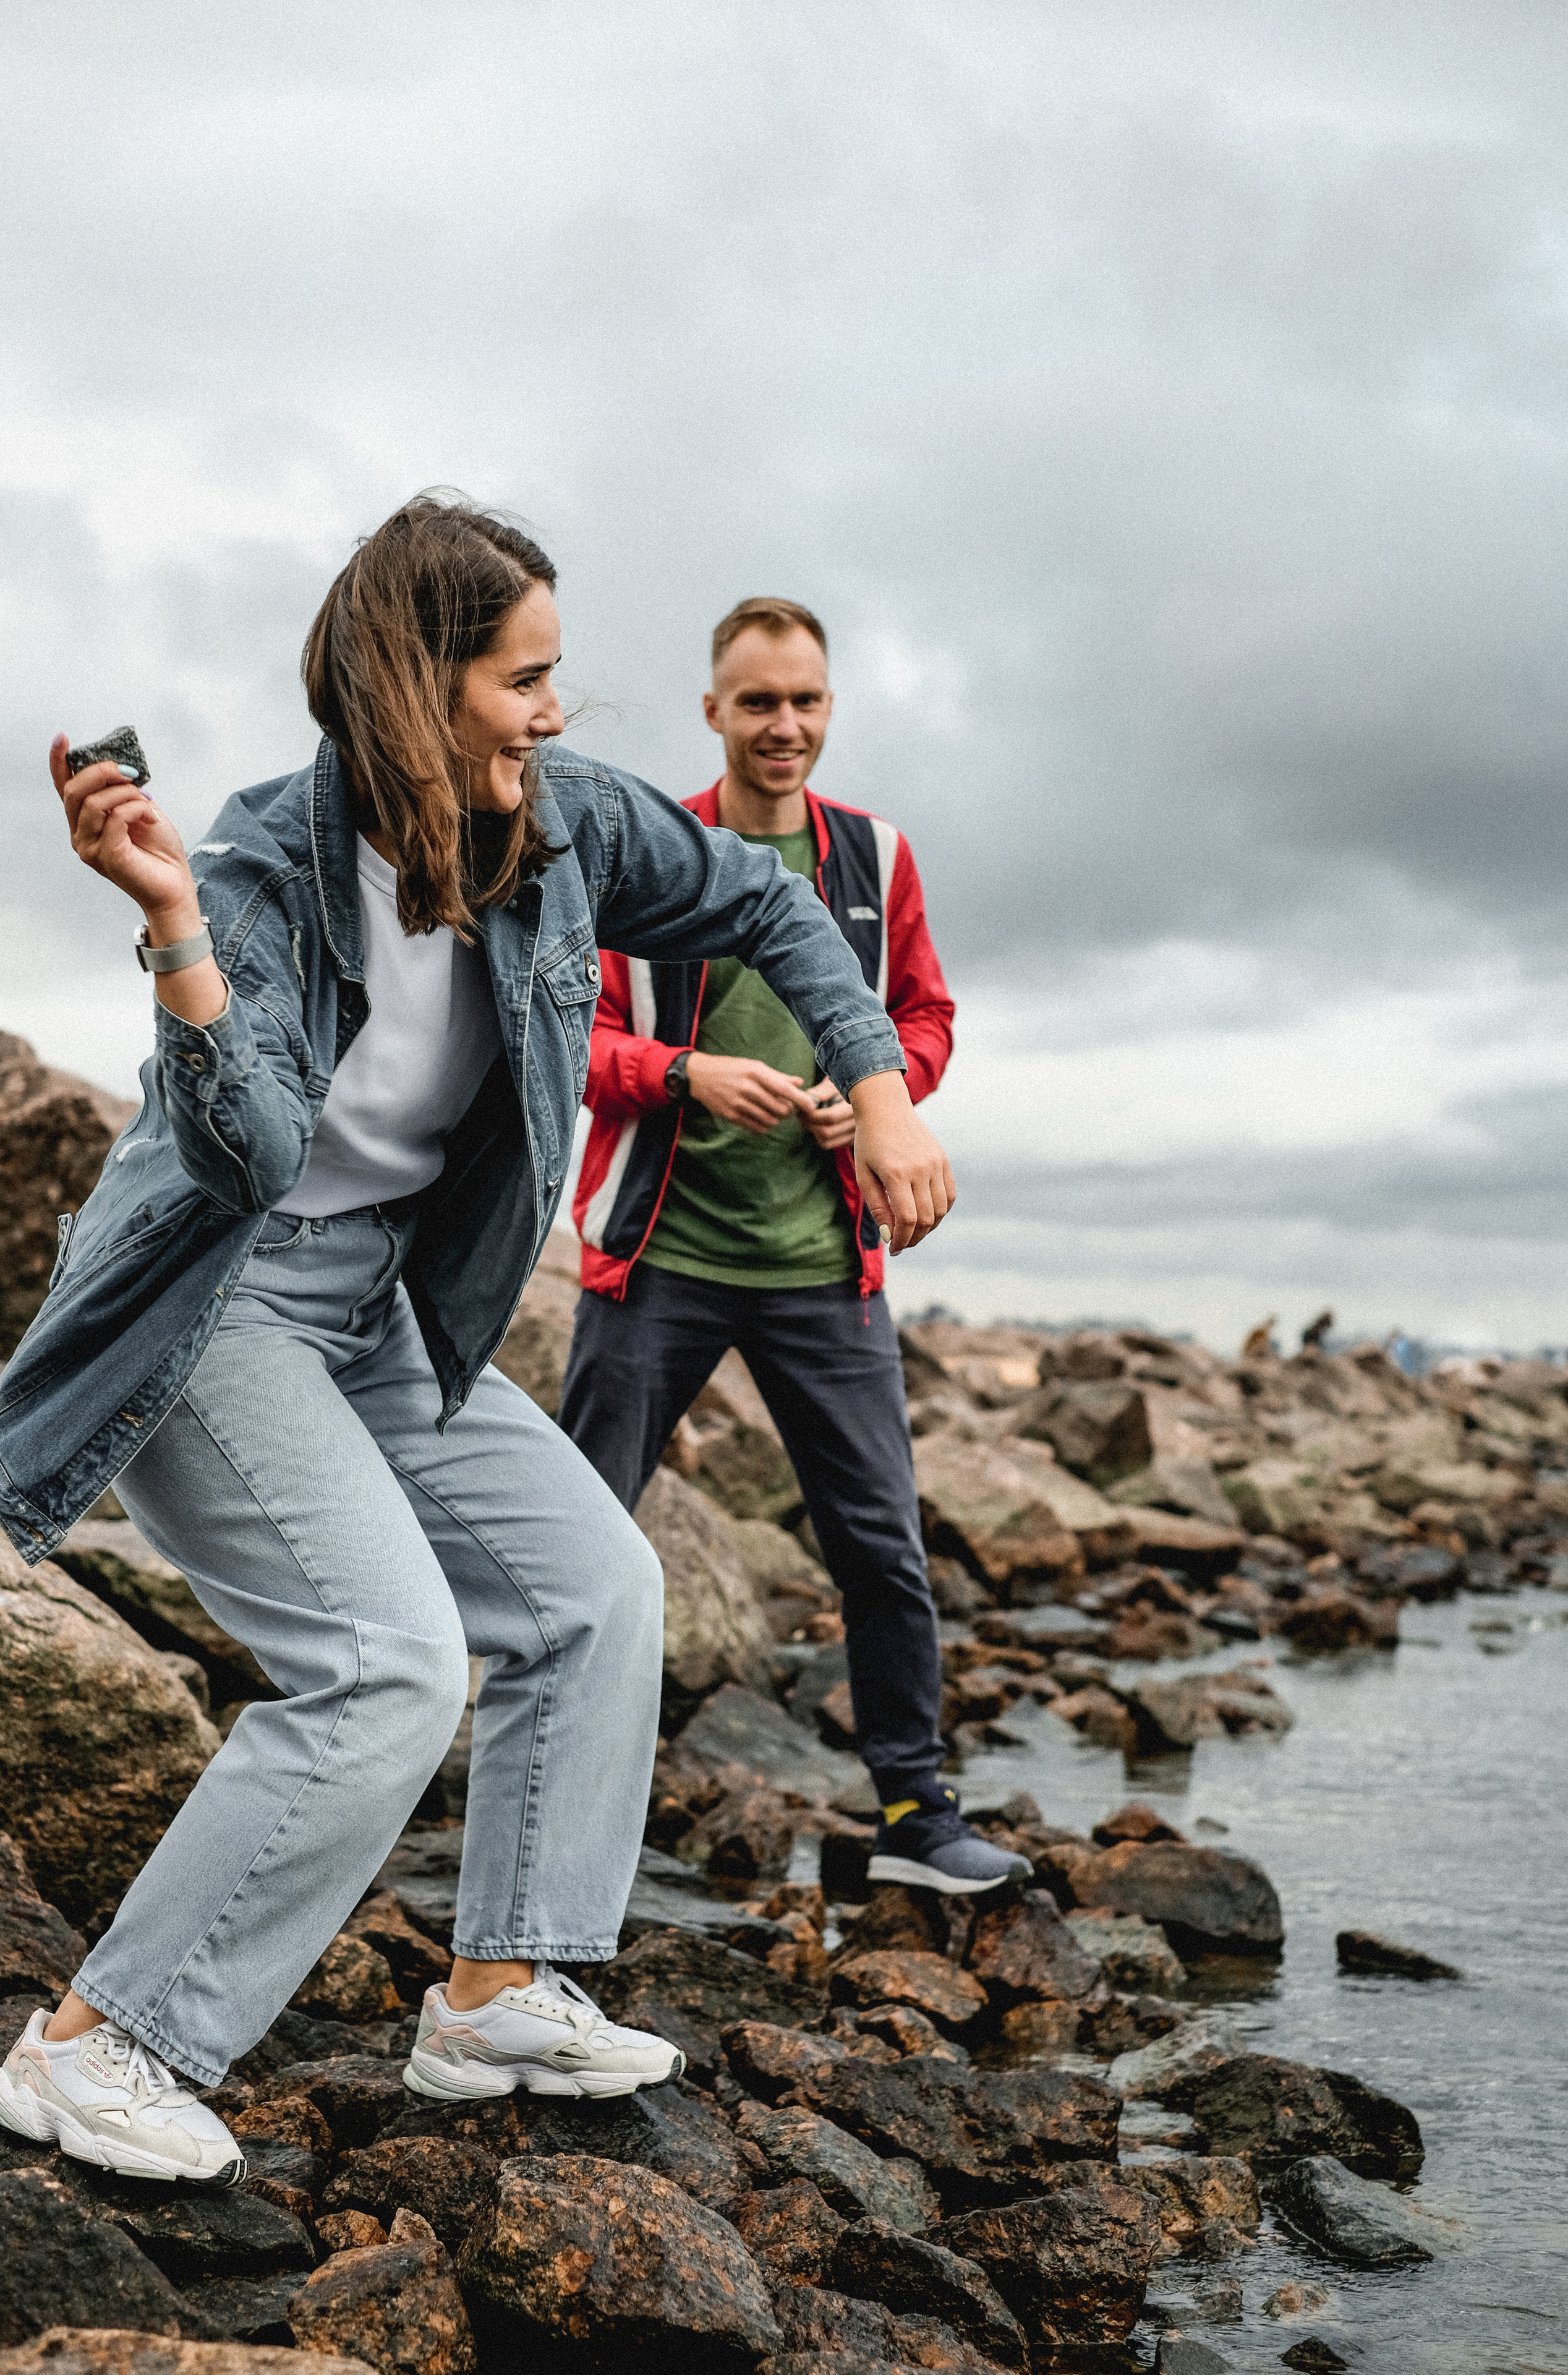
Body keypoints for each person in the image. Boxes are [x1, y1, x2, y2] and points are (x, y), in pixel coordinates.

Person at [0, 499, 953, 2186]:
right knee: (387, 1665)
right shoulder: (259, 865)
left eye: (556, 676)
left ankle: (499, 1987)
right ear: (414, 685)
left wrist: (878, 1092)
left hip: (383, 1307)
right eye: (524, 681)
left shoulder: (566, 826)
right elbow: (252, 1154)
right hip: (219, 1306)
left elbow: (771, 909)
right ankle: (104, 2044)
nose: (555, 713)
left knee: (600, 1590)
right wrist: (174, 936)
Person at [561, 597, 1031, 1897]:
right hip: (652, 1258)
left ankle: (914, 1816)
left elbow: (925, 1017)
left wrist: (869, 1087)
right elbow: (569, 1043)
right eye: (758, 702)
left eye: (805, 702)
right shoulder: (639, 849)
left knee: (880, 1544)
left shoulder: (875, 859)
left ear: (828, 710)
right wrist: (683, 1073)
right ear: (712, 711)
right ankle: (540, 1800)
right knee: (582, 1536)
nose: (784, 725)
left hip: (823, 1266)